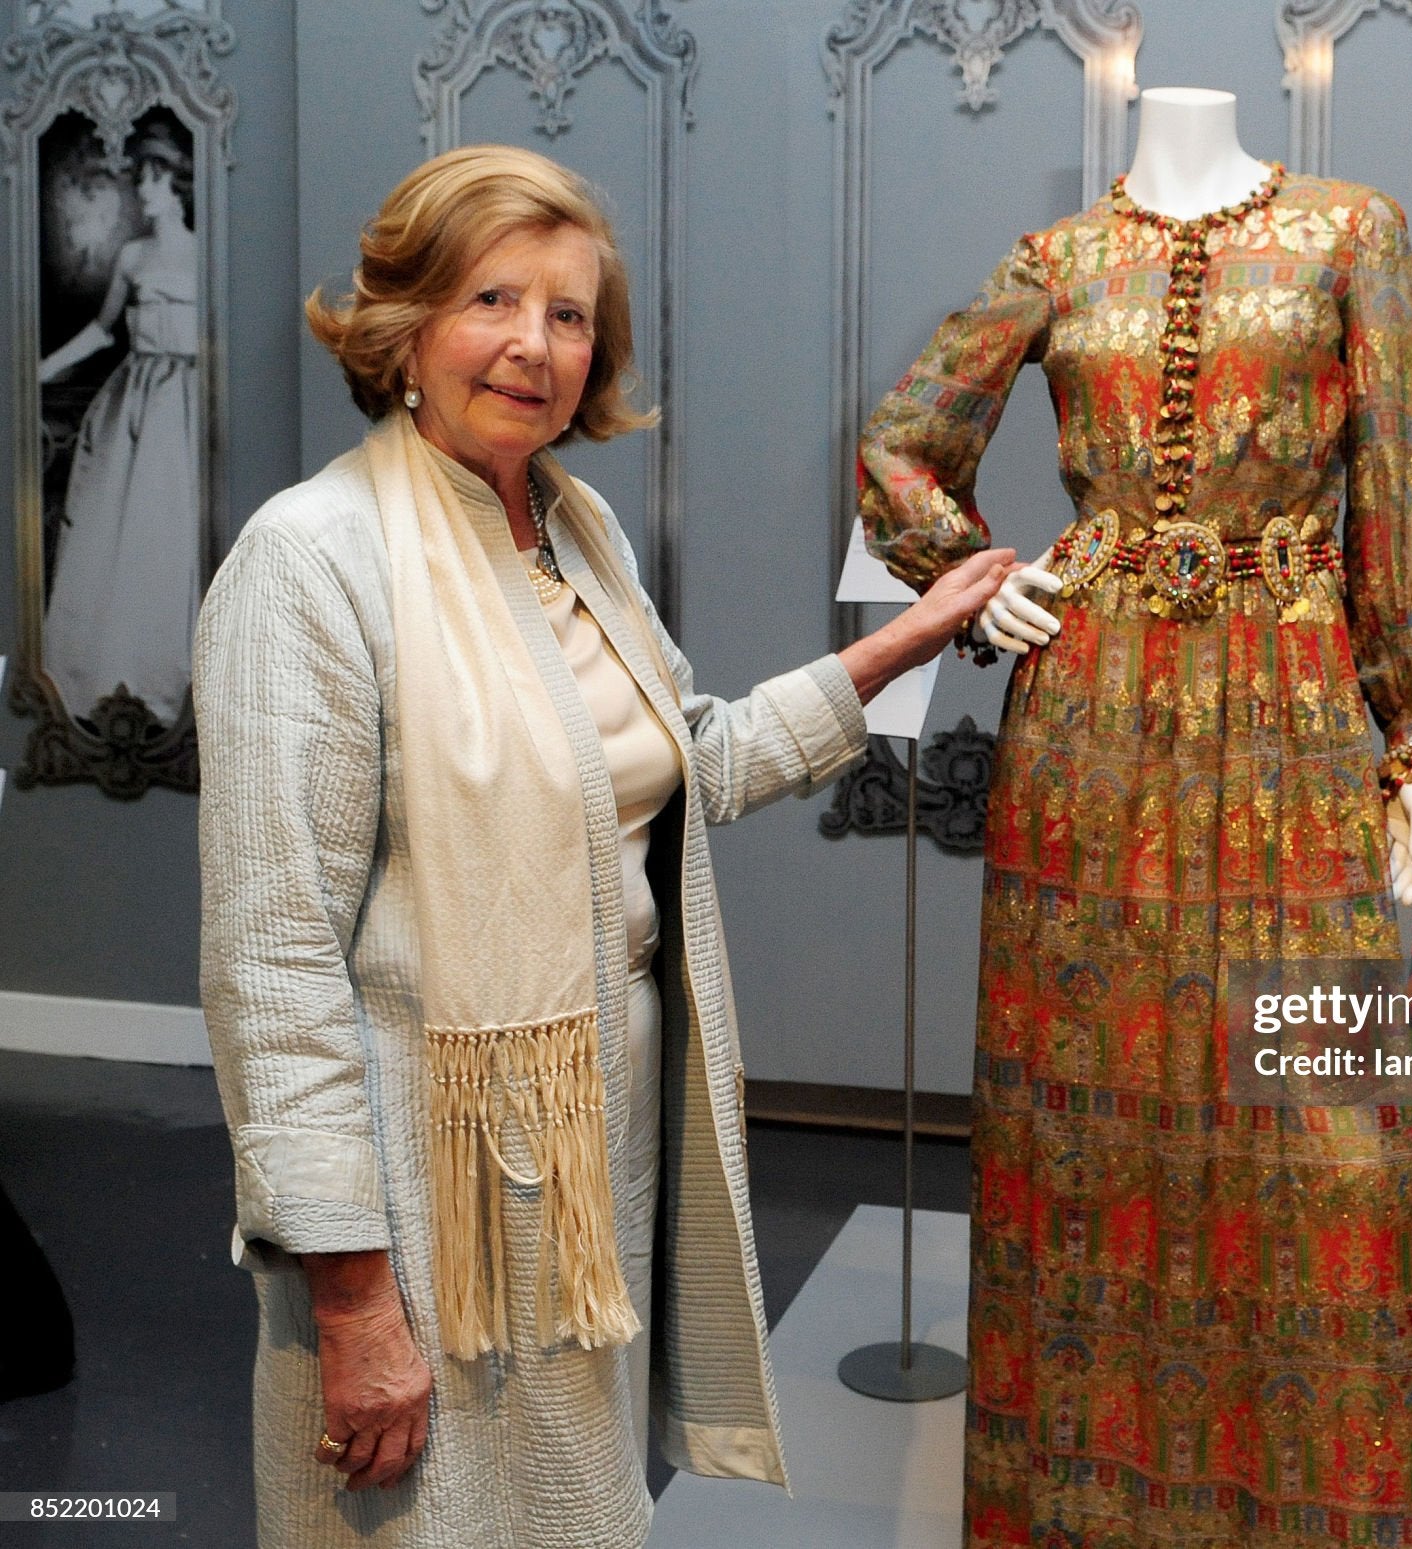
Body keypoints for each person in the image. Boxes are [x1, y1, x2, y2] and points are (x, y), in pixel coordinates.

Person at [194, 143, 1011, 1548]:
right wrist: (350, 1300)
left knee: (567, 1515)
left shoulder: (575, 530)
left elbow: (679, 768)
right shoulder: (312, 558)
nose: (534, 345)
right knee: (413, 1517)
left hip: (588, 1150)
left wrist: (894, 649)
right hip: (421, 1197)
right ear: (403, 329)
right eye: (492, 300)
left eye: (569, 315)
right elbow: (273, 965)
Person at [859, 87, 1412, 1548]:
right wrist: (973, 578)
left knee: (1318, 1118)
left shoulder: (1353, 231)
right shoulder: (1055, 258)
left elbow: (1397, 487)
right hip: (1091, 720)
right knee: (1081, 1115)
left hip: (1293, 709)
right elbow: (900, 446)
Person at [40, 119, 201, 723]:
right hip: (134, 398)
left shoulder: (201, 254)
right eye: (142, 180)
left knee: (166, 532)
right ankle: (105, 677)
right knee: (113, 534)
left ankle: (168, 681)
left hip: (182, 399)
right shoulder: (133, 256)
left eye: (155, 180)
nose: (144, 192)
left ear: (178, 188)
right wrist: (42, 368)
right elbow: (103, 331)